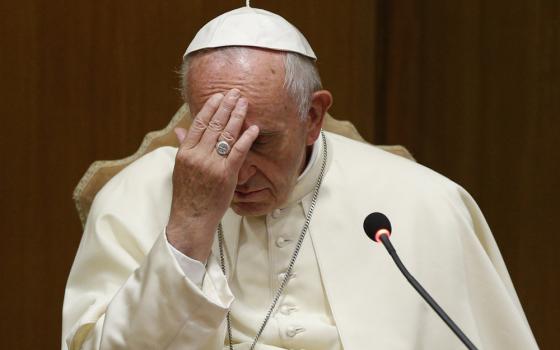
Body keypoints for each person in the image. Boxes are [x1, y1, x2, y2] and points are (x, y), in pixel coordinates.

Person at [62, 6, 538, 350]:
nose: (236, 171)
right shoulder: (132, 197)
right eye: (217, 136)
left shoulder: (424, 204)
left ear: (312, 116)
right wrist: (188, 226)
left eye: (260, 141)